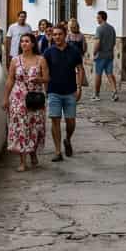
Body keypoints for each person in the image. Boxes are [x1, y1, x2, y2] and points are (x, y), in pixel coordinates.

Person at [2, 32, 47, 172]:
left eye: (27, 41)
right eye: (22, 41)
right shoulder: (15, 60)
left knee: (34, 126)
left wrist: (39, 80)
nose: (24, 44)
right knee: (20, 128)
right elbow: (10, 79)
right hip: (18, 98)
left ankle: (33, 152)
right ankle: (22, 161)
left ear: (33, 44)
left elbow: (47, 78)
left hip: (35, 98)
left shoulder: (41, 60)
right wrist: (5, 98)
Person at [42, 24, 83, 161]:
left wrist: (79, 87)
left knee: (71, 122)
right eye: (54, 35)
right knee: (55, 121)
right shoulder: (48, 52)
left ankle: (67, 139)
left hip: (70, 91)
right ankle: (58, 151)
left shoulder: (74, 51)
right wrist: (45, 89)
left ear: (65, 35)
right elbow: (45, 71)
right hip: (54, 91)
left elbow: (79, 69)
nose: (57, 37)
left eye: (59, 34)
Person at [91, 11, 119, 101]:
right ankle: (114, 92)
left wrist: (94, 52)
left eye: (97, 17)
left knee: (98, 74)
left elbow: (97, 42)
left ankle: (96, 95)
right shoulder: (112, 28)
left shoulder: (99, 29)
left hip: (100, 55)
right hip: (110, 55)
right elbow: (114, 42)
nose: (96, 19)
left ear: (101, 18)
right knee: (110, 74)